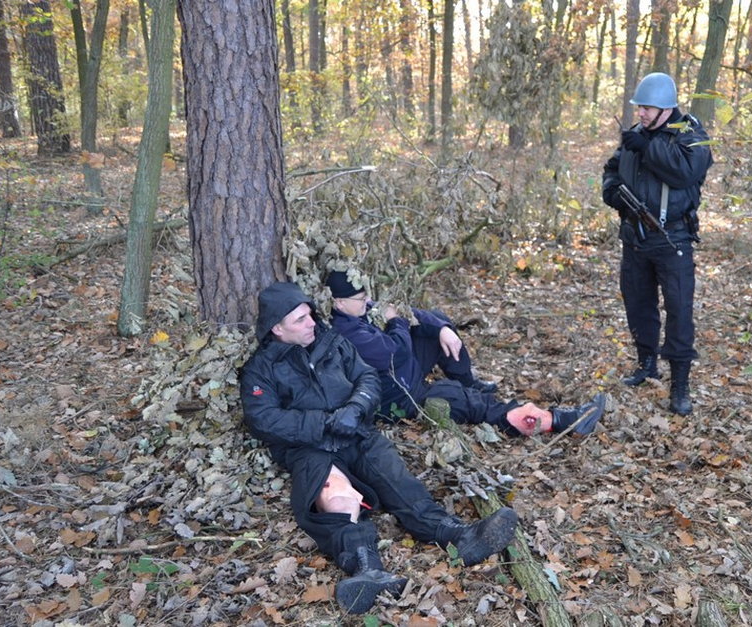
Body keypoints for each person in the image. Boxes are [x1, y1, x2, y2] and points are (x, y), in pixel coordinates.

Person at [240, 281, 520, 615]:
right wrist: (325, 422)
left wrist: (356, 408)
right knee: (336, 497)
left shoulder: (334, 343)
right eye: (300, 319)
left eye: (310, 315)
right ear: (277, 327)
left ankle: (458, 536)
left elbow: (367, 378)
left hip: (357, 431)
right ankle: (366, 568)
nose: (312, 322)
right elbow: (265, 420)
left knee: (399, 481)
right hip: (309, 446)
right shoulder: (261, 369)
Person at [325, 270, 606, 437]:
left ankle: (468, 381)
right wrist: (395, 321)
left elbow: (412, 314)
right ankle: (559, 421)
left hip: (406, 373)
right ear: (338, 302)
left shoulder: (359, 309)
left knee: (434, 324)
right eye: (360, 299)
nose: (367, 301)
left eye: (365, 296)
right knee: (463, 401)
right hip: (402, 395)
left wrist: (442, 328)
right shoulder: (347, 332)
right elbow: (394, 352)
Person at [602, 72, 713, 415]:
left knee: (679, 312)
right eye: (639, 108)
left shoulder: (692, 136)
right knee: (638, 303)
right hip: (634, 238)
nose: (641, 114)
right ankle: (646, 365)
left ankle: (680, 384)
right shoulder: (636, 136)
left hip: (673, 238)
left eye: (648, 108)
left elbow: (683, 172)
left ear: (666, 108)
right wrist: (611, 193)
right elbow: (612, 169)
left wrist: (648, 149)